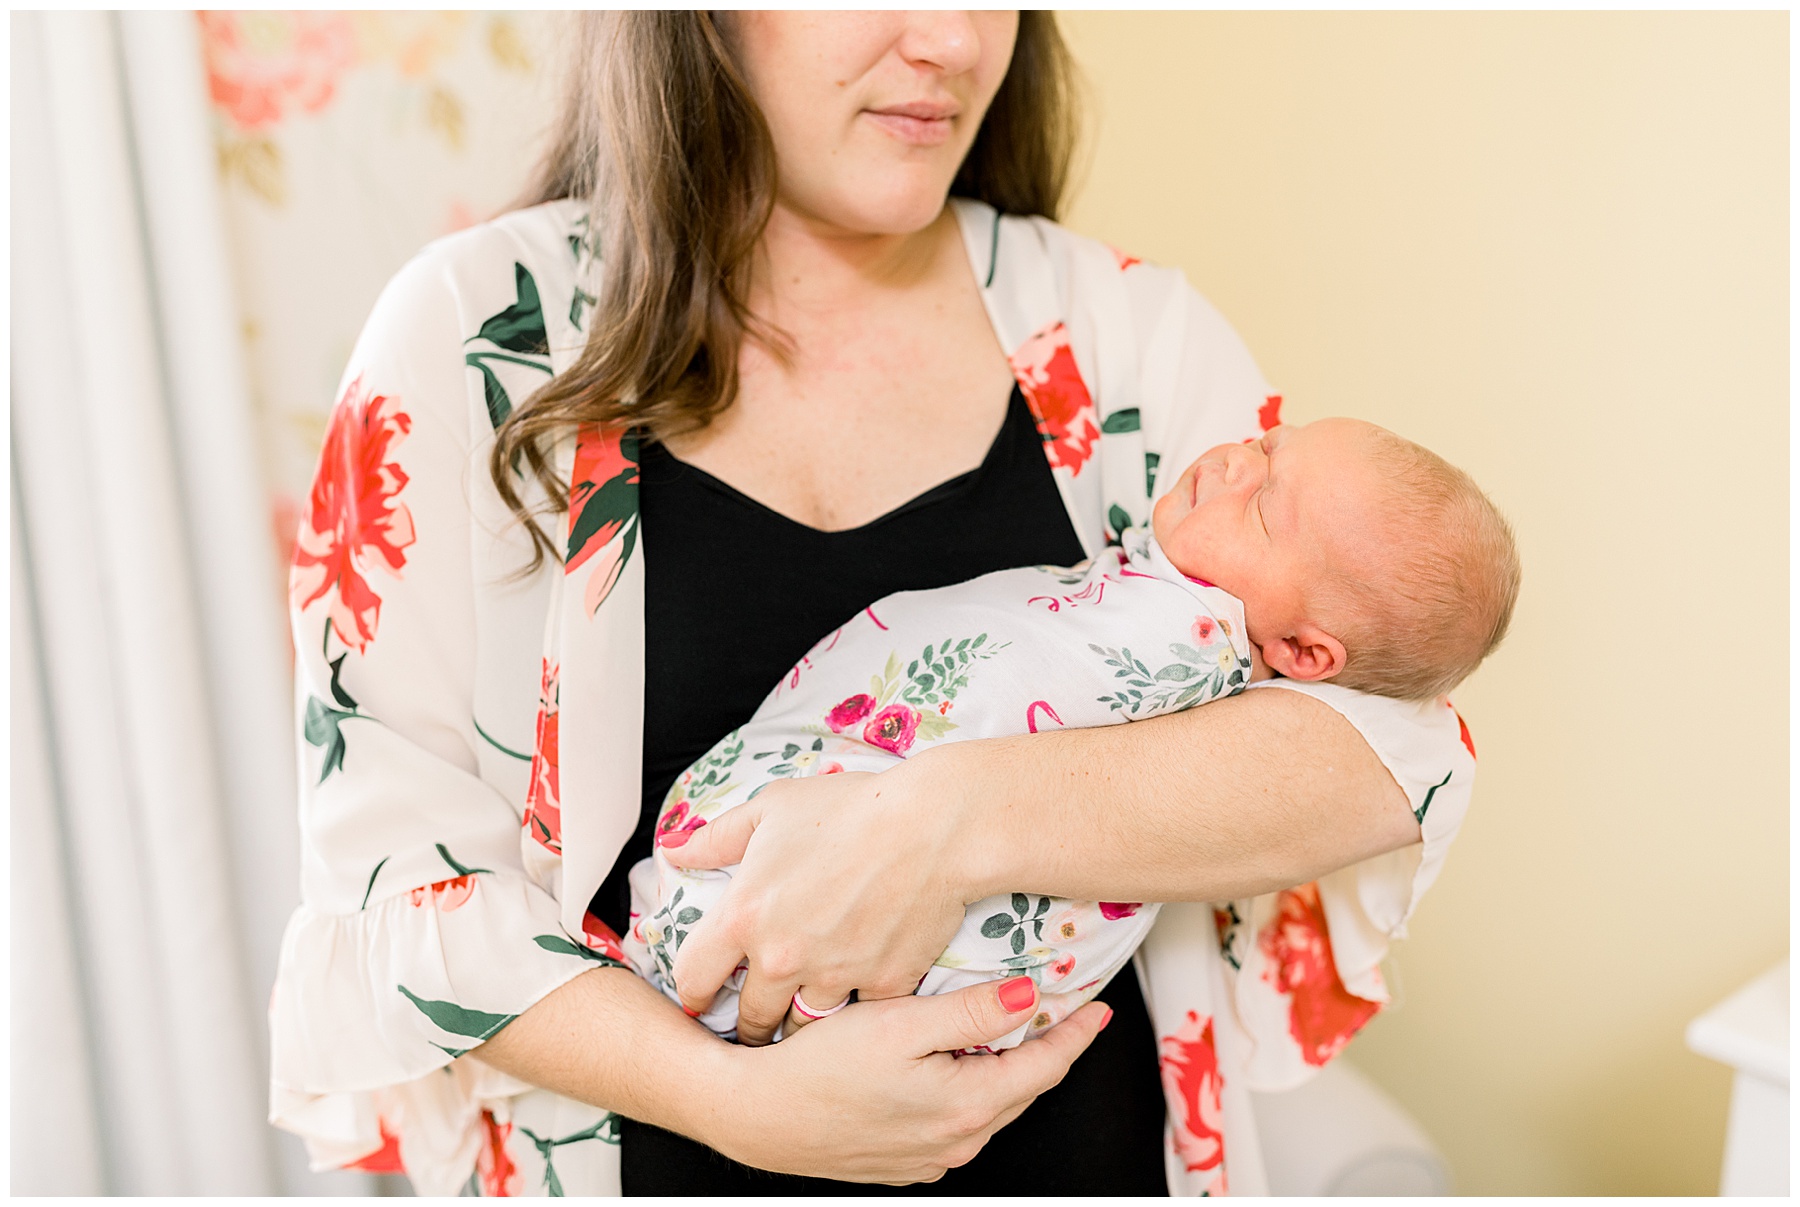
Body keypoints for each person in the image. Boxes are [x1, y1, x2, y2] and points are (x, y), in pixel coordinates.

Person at [269, 12, 1478, 1197]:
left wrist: (940, 822)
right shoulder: (482, 338)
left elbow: (1394, 744)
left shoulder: (1124, 337)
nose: (954, 42)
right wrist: (732, 1100)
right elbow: (395, 890)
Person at [639, 418, 1519, 1047]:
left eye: (1264, 510)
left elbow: (1417, 756)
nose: (1231, 463)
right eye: (1266, 445)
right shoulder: (1159, 581)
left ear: (1301, 651)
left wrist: (925, 817)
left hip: (795, 947)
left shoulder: (1186, 646)